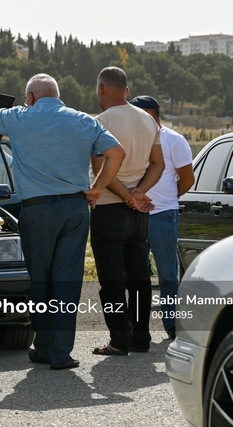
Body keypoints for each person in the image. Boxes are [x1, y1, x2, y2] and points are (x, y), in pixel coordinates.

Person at [0, 74, 125, 370]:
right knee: (67, 282)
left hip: (38, 210)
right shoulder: (83, 120)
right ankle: (58, 353)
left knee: (41, 282)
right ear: (57, 95)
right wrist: (98, 187)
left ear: (30, 97)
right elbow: (116, 152)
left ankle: (44, 346)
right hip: (75, 208)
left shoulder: (21, 118)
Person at [90, 67, 165, 356]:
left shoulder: (102, 121)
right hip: (139, 213)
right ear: (127, 91)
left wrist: (126, 196)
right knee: (139, 277)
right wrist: (139, 193)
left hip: (110, 209)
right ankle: (142, 337)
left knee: (111, 281)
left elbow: (101, 171)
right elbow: (158, 164)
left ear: (101, 89)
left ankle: (118, 339)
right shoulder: (148, 119)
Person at [129, 95, 195, 340]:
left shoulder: (174, 140)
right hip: (133, 214)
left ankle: (172, 323)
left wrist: (169, 197)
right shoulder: (129, 139)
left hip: (162, 214)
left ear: (151, 115)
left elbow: (187, 178)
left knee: (167, 273)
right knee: (134, 274)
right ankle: (135, 325)